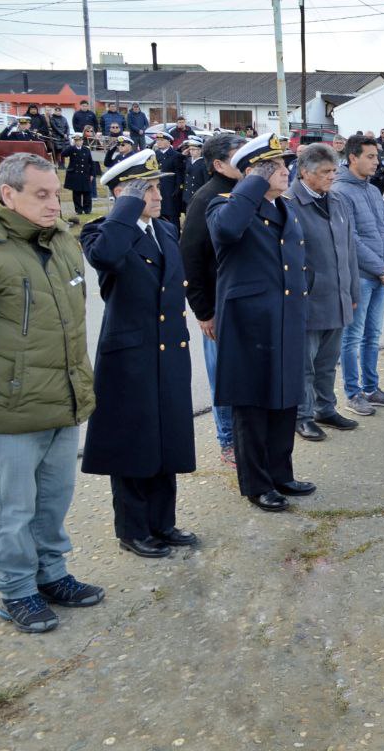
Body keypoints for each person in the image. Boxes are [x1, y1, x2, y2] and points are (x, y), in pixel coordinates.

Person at [0, 154, 102, 633]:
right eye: (41, 195)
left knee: (54, 500)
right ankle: (16, 591)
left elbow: (70, 328)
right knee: (15, 508)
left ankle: (51, 575)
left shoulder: (61, 242)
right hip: (9, 409)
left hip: (61, 402)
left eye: (56, 194)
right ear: (8, 195)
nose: (55, 205)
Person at [79, 149, 197, 558]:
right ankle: (132, 529)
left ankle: (163, 523)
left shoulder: (164, 230)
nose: (158, 194)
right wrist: (126, 206)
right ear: (122, 194)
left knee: (167, 439)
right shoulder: (102, 231)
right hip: (129, 356)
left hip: (169, 351)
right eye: (146, 188)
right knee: (134, 443)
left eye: (157, 185)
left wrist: (139, 203)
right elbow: (107, 256)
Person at [206, 134, 316, 513]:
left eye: (286, 165)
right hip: (250, 324)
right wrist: (253, 179)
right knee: (252, 407)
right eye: (276, 167)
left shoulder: (284, 207)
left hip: (284, 318)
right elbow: (226, 231)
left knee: (284, 399)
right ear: (252, 172)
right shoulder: (225, 206)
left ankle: (280, 472)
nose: (287, 172)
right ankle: (256, 484)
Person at [285, 143, 362, 441]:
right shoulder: (290, 203)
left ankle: (325, 408)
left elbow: (349, 251)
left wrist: (353, 289)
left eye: (334, 170)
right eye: (326, 171)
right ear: (305, 172)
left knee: (328, 362)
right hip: (310, 299)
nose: (333, 176)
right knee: (305, 364)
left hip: (338, 295)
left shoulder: (338, 201)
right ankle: (302, 416)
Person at [180, 132, 246, 468]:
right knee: (223, 375)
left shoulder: (245, 191)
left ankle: (244, 436)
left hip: (244, 301)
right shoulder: (206, 198)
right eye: (238, 153)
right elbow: (190, 256)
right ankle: (227, 441)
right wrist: (204, 311)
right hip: (219, 304)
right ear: (219, 163)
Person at [333, 135, 384, 415]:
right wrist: (380, 267)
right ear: (352, 158)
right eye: (370, 156)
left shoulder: (373, 190)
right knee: (352, 337)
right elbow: (351, 239)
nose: (377, 162)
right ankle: (353, 392)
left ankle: (372, 388)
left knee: (372, 335)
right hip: (361, 275)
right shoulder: (340, 191)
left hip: (381, 274)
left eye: (377, 157)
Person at [151, 131, 186, 225]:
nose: (159, 142)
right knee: (159, 218)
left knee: (172, 218)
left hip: (171, 192)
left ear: (169, 142)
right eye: (157, 140)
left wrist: (177, 190)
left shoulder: (175, 155)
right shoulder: (154, 155)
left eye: (162, 140)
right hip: (158, 191)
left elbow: (179, 175)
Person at [60, 133, 98, 215]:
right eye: (76, 140)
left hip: (85, 174)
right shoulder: (72, 149)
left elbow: (91, 163)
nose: (78, 142)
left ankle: (87, 210)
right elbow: (63, 154)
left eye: (79, 140)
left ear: (82, 141)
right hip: (75, 174)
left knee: (87, 193)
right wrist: (70, 146)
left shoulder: (86, 150)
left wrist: (92, 174)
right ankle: (78, 210)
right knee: (76, 193)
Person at [182, 137, 207, 206]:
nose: (191, 151)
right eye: (190, 149)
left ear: (200, 150)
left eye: (194, 149)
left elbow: (206, 181)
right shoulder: (188, 160)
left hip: (197, 195)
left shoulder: (204, 163)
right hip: (187, 195)